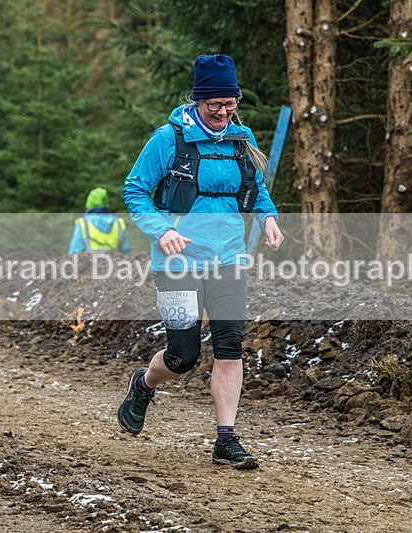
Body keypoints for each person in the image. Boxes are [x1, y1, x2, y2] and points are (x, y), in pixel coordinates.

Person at [117, 53, 284, 470]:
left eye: (231, 104)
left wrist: (269, 220)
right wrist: (163, 230)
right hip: (178, 262)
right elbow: (135, 191)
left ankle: (226, 440)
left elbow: (257, 190)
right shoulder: (167, 139)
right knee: (183, 356)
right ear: (197, 100)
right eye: (215, 105)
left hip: (229, 259)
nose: (223, 113)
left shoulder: (242, 141)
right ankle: (144, 383)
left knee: (230, 348)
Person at [68, 187, 131, 255]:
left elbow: (74, 251)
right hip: (114, 264)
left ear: (89, 205)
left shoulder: (83, 223)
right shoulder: (119, 223)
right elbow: (126, 253)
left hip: (89, 264)